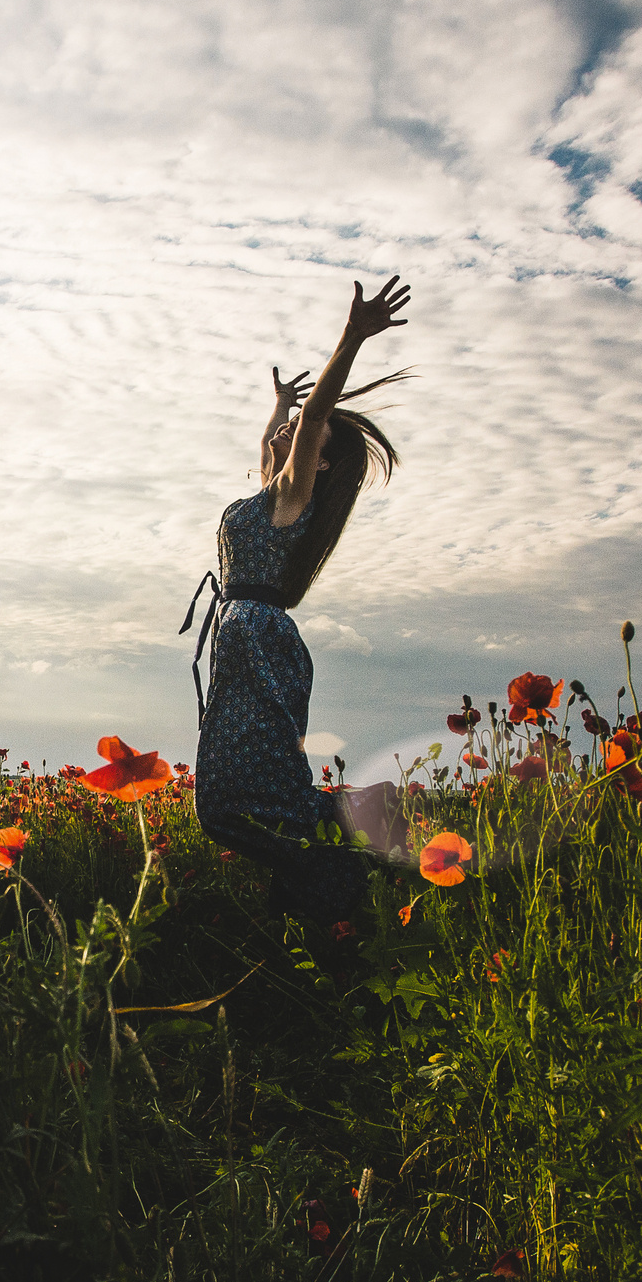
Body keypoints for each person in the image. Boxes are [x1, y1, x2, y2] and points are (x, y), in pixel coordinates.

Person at [185, 276, 412, 934]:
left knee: (232, 799)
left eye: (302, 442)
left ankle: (351, 822)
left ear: (316, 466)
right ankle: (322, 872)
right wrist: (279, 403)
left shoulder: (292, 500)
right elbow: (275, 440)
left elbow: (313, 424)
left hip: (254, 639)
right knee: (235, 792)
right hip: (243, 637)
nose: (285, 439)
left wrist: (352, 336)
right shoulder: (267, 492)